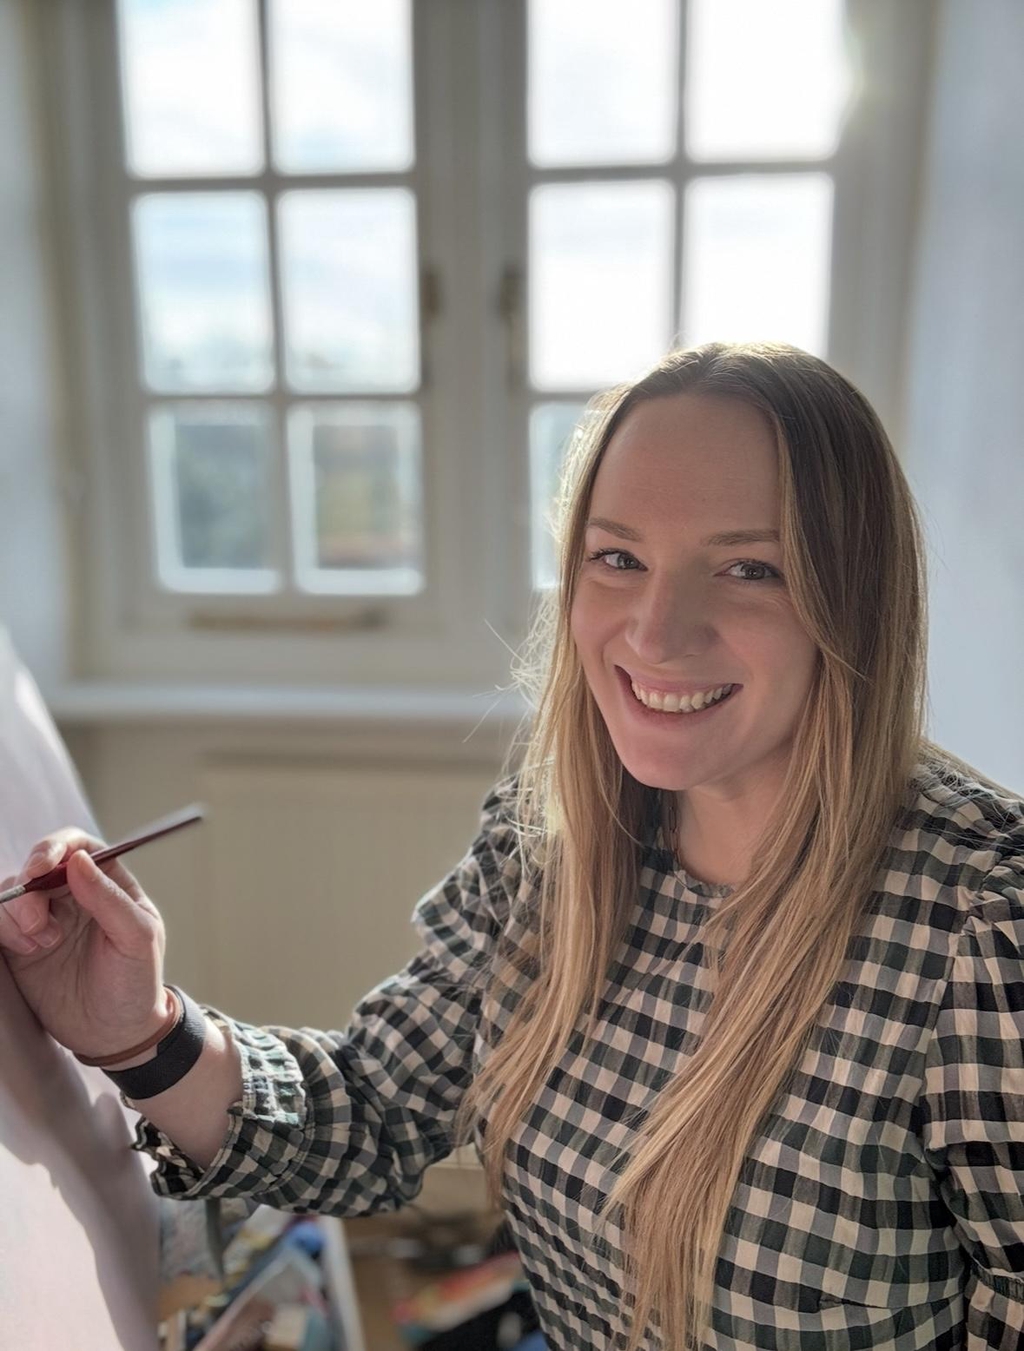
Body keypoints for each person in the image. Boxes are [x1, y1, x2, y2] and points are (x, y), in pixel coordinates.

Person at [1, 341, 1022, 1351]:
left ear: (855, 596)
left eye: (749, 568)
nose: (655, 632)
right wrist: (141, 1031)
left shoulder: (986, 924)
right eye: (617, 558)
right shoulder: (553, 840)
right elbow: (375, 1109)